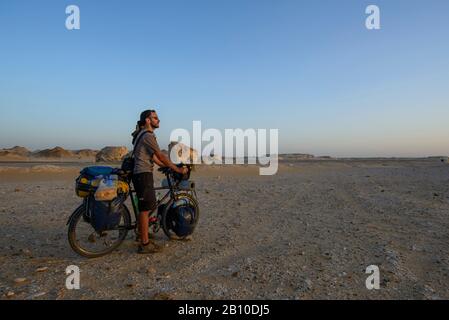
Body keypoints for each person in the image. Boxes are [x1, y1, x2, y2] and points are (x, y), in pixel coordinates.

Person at [131, 109, 188, 254]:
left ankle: (141, 232)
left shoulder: (142, 135)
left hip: (141, 173)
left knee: (147, 206)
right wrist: (177, 169)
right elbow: (160, 156)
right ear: (148, 120)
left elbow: (154, 159)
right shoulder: (148, 135)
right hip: (143, 174)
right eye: (155, 118)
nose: (158, 120)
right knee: (145, 210)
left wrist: (166, 166)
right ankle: (145, 244)